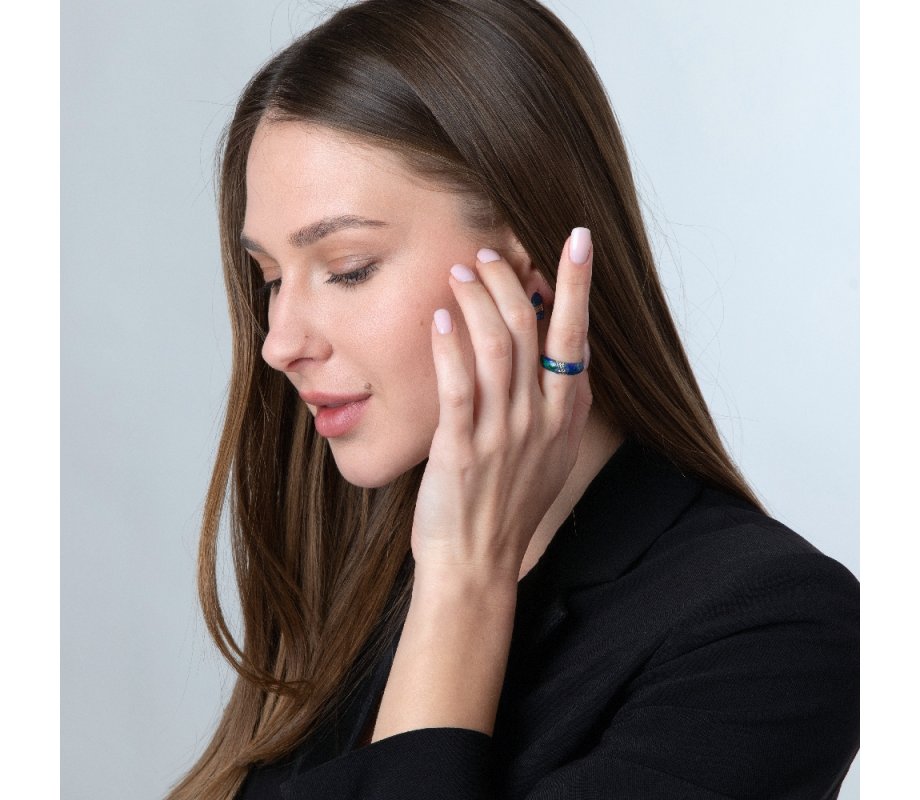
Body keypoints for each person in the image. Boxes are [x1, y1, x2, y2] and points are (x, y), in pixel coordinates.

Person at [168, 1, 859, 798]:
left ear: (530, 279)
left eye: (348, 267)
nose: (279, 343)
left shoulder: (771, 631)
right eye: (271, 278)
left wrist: (463, 585)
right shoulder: (352, 573)